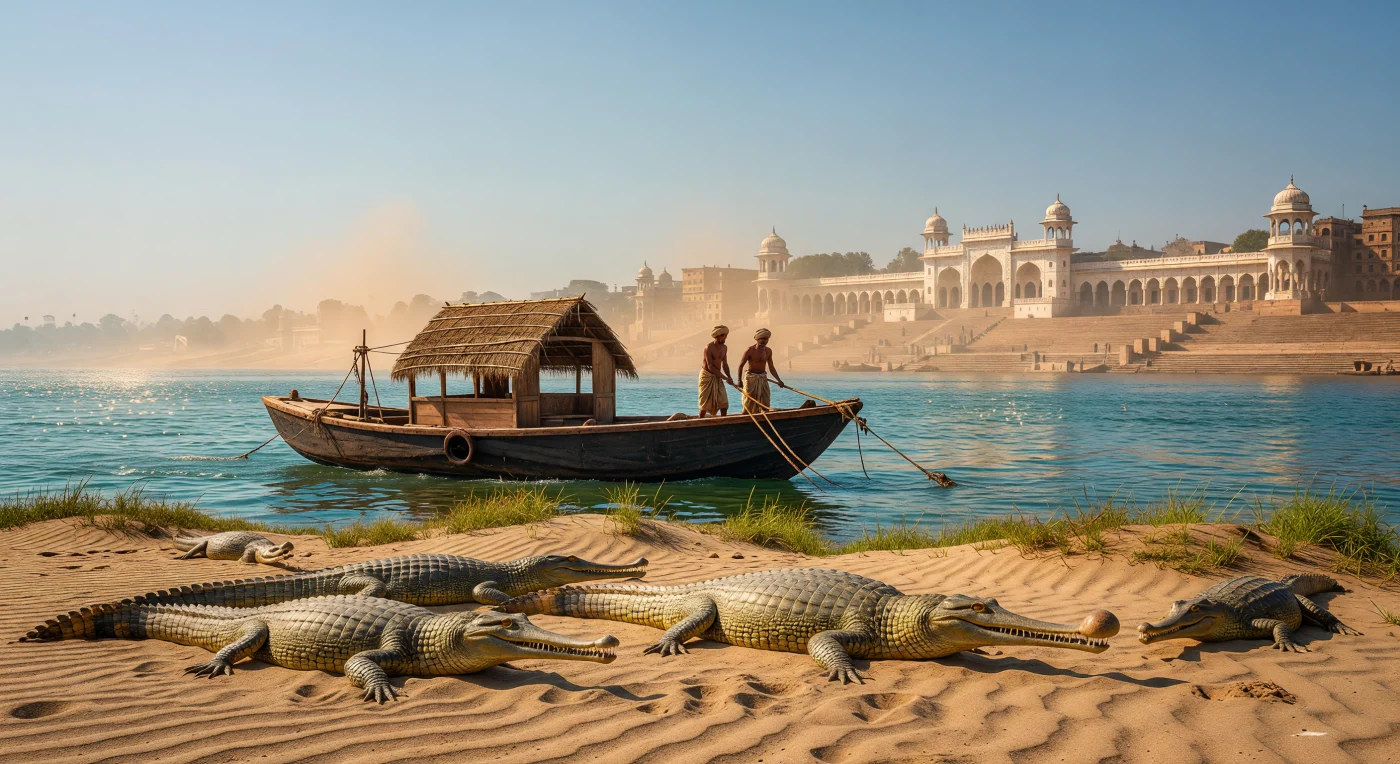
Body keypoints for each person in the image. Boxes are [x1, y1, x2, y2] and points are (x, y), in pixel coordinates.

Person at [735, 328, 786, 414]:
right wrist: (739, 381)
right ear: (757, 339)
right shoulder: (750, 350)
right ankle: (744, 418)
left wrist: (779, 380)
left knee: (765, 402)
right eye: (762, 339)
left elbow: (771, 368)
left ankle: (763, 419)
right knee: (748, 403)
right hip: (751, 378)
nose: (764, 341)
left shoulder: (768, 351)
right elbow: (740, 366)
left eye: (766, 339)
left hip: (763, 378)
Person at [698, 325, 735, 417]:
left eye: (725, 336)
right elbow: (710, 366)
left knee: (724, 403)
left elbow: (725, 364)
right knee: (705, 404)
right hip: (707, 376)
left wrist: (729, 377)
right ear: (716, 336)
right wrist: (725, 378)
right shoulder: (709, 348)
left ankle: (723, 422)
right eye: (722, 336)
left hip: (718, 376)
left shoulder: (724, 348)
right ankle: (700, 421)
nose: (724, 338)